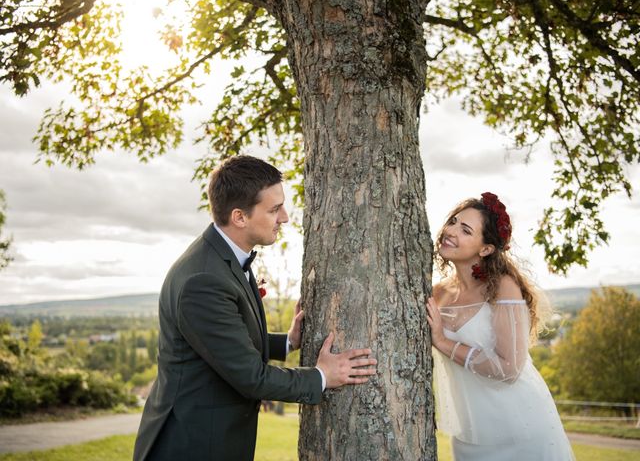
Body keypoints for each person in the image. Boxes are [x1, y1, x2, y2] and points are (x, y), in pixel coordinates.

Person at [133, 155, 377, 461]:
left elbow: (225, 341)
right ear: (239, 217)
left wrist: (287, 341)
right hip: (192, 443)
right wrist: (323, 376)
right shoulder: (203, 280)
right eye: (274, 209)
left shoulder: (224, 256)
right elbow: (251, 377)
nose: (285, 217)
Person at [426, 192, 574, 461]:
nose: (450, 231)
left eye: (465, 229)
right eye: (453, 222)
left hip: (522, 426)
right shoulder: (438, 294)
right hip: (471, 434)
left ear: (485, 249)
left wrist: (444, 343)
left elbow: (509, 369)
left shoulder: (502, 287)